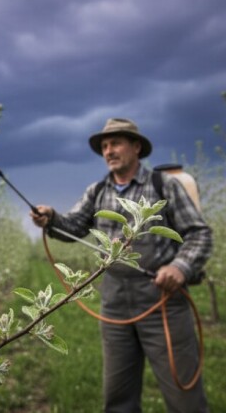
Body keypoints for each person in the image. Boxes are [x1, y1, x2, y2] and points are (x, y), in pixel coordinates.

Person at [31, 117, 212, 413]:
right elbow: (74, 226)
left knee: (185, 400)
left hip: (162, 303)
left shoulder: (162, 186)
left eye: (115, 143)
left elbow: (199, 233)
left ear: (136, 147)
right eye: (104, 146)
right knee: (118, 400)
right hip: (114, 304)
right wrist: (51, 218)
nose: (109, 151)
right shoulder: (98, 191)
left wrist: (179, 268)